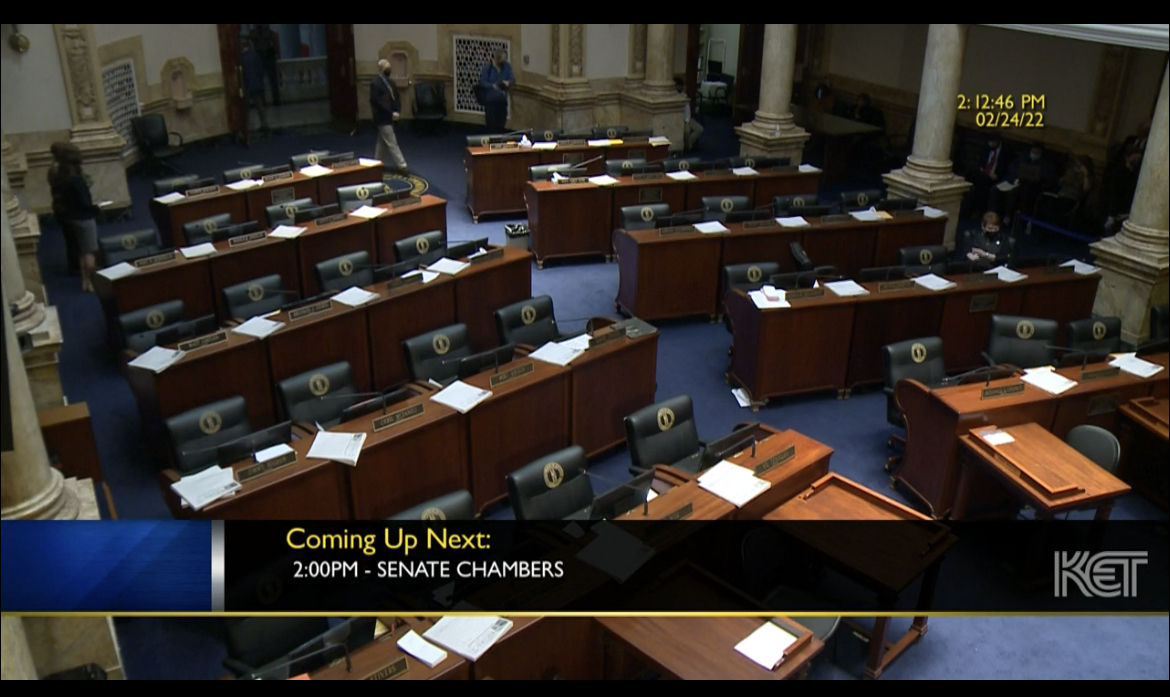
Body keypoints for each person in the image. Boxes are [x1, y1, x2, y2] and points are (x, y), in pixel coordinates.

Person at [48, 143, 100, 292]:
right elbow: (84, 202)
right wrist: (97, 209)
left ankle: (85, 282)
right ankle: (92, 282)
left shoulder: (61, 175)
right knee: (89, 252)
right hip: (84, 219)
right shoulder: (76, 179)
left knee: (81, 252)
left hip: (70, 217)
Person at [370, 58, 408, 174]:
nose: (389, 69)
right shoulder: (375, 84)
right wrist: (390, 113)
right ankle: (402, 166)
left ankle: (376, 163)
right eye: (387, 67)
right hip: (382, 117)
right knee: (392, 141)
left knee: (383, 141)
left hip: (391, 116)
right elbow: (376, 101)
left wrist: (397, 111)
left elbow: (396, 98)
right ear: (381, 69)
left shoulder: (391, 83)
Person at [1100, 144, 1142, 235]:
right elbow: (1113, 193)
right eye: (1134, 159)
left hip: (1124, 214)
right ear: (1127, 158)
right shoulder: (1117, 173)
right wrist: (1112, 214)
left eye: (1138, 160)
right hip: (1113, 212)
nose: (1136, 162)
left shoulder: (1135, 176)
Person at [478, 49, 514, 132]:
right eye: (503, 59)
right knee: (491, 126)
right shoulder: (488, 68)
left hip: (502, 102)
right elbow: (482, 82)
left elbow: (512, 80)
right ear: (497, 58)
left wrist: (508, 82)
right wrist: (492, 86)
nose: (504, 61)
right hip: (491, 103)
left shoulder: (507, 66)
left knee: (501, 125)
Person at [241, 40, 269, 138]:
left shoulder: (243, 58)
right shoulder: (256, 55)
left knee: (246, 109)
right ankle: (264, 125)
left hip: (248, 86)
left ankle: (246, 128)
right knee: (260, 107)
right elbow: (261, 70)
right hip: (258, 84)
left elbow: (243, 75)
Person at [249, 24, 280, 106]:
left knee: (272, 81)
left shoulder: (263, 32)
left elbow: (274, 44)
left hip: (267, 57)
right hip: (262, 58)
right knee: (264, 81)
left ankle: (273, 100)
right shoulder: (263, 32)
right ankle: (265, 101)